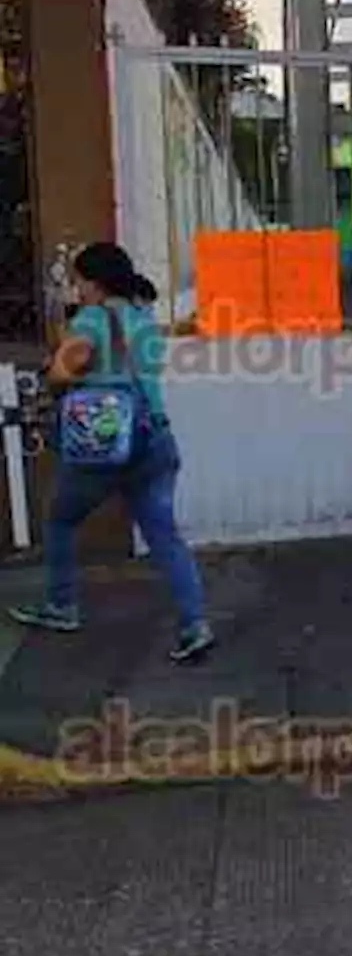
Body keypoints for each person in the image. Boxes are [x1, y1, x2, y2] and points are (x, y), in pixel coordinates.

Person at [9, 242, 216, 663]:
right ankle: (195, 623)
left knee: (61, 518)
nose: (76, 288)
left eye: (79, 280)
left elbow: (69, 365)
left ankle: (62, 605)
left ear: (95, 282)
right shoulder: (143, 319)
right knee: (164, 535)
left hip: (104, 443)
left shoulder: (91, 318)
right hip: (155, 438)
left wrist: (54, 371)